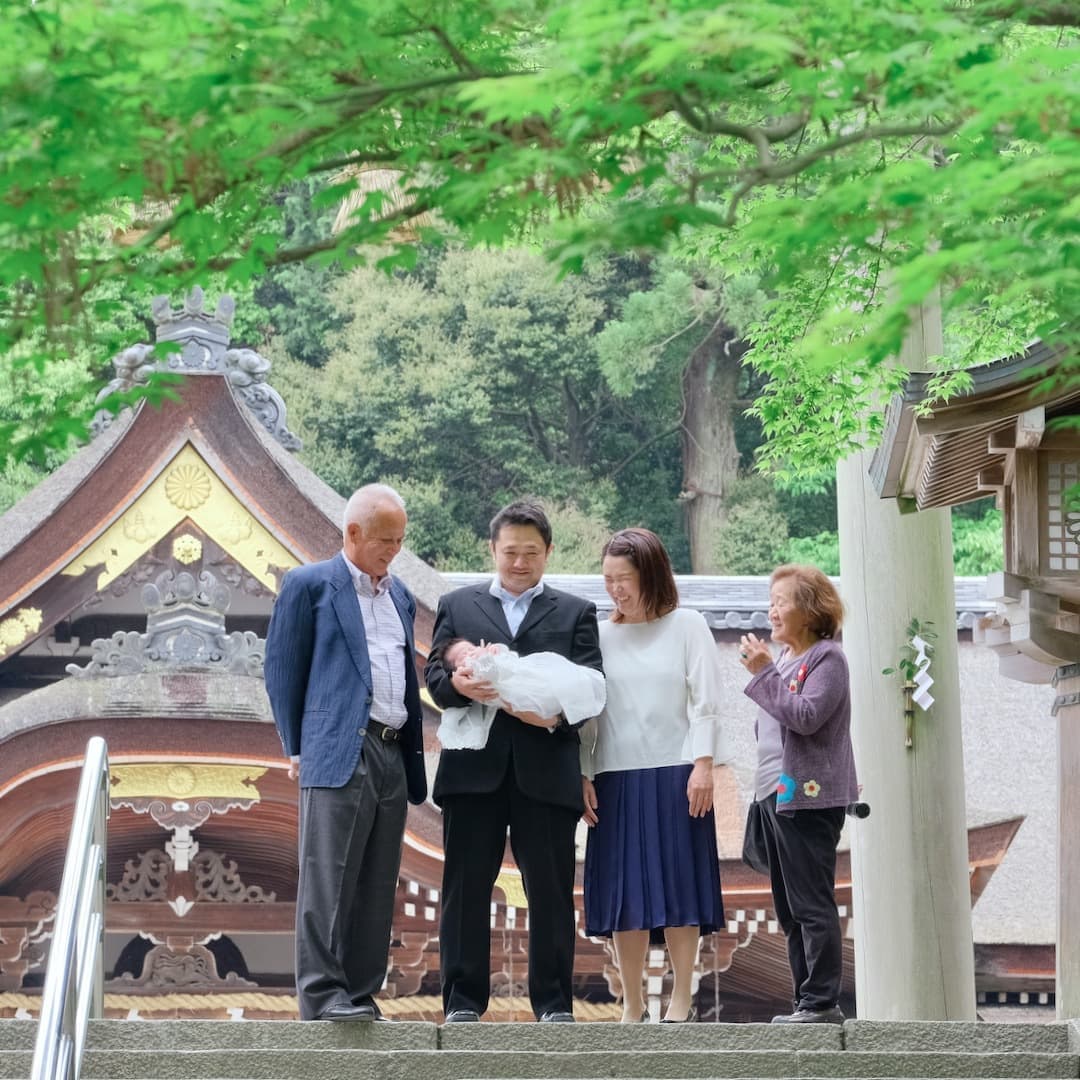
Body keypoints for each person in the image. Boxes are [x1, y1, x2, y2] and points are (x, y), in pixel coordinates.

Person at [424, 499, 603, 1023]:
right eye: (509, 552)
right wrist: (457, 684)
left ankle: (553, 1003)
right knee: (465, 887)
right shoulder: (458, 604)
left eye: (530, 552)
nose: (519, 561)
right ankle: (461, 1002)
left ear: (548, 551)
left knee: (549, 890)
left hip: (545, 770)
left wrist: (550, 720)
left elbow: (594, 690)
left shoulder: (575, 612)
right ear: (492, 550)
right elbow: (434, 676)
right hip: (473, 771)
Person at [263, 483, 427, 1022]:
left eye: (400, 541)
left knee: (378, 878)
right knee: (328, 876)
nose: (393, 550)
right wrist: (296, 747)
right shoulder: (310, 585)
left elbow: (403, 673)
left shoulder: (399, 594)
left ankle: (359, 990)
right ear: (353, 533)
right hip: (336, 749)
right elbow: (283, 670)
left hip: (391, 748)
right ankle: (322, 993)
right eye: (385, 540)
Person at [581, 527, 725, 1024]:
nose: (616, 589)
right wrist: (583, 774)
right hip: (614, 774)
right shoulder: (599, 635)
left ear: (652, 574)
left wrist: (703, 764)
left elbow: (707, 700)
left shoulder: (688, 625)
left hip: (677, 773)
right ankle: (634, 1004)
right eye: (608, 579)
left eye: (625, 578)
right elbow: (587, 714)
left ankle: (682, 997)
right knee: (625, 894)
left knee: (679, 885)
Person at [737, 564, 858, 1025]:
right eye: (771, 601)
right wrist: (770, 671)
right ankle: (804, 1001)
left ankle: (822, 1002)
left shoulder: (828, 658)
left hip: (807, 799)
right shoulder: (788, 661)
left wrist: (765, 673)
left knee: (811, 902)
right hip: (775, 795)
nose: (772, 610)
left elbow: (805, 717)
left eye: (781, 602)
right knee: (789, 910)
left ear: (810, 609)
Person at [431, 637, 606, 751]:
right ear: (456, 669)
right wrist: (458, 683)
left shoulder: (577, 609)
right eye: (462, 656)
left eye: (470, 648)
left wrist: (557, 721)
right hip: (516, 701)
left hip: (550, 750)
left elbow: (512, 660)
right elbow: (489, 674)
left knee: (557, 676)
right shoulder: (474, 671)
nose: (470, 653)